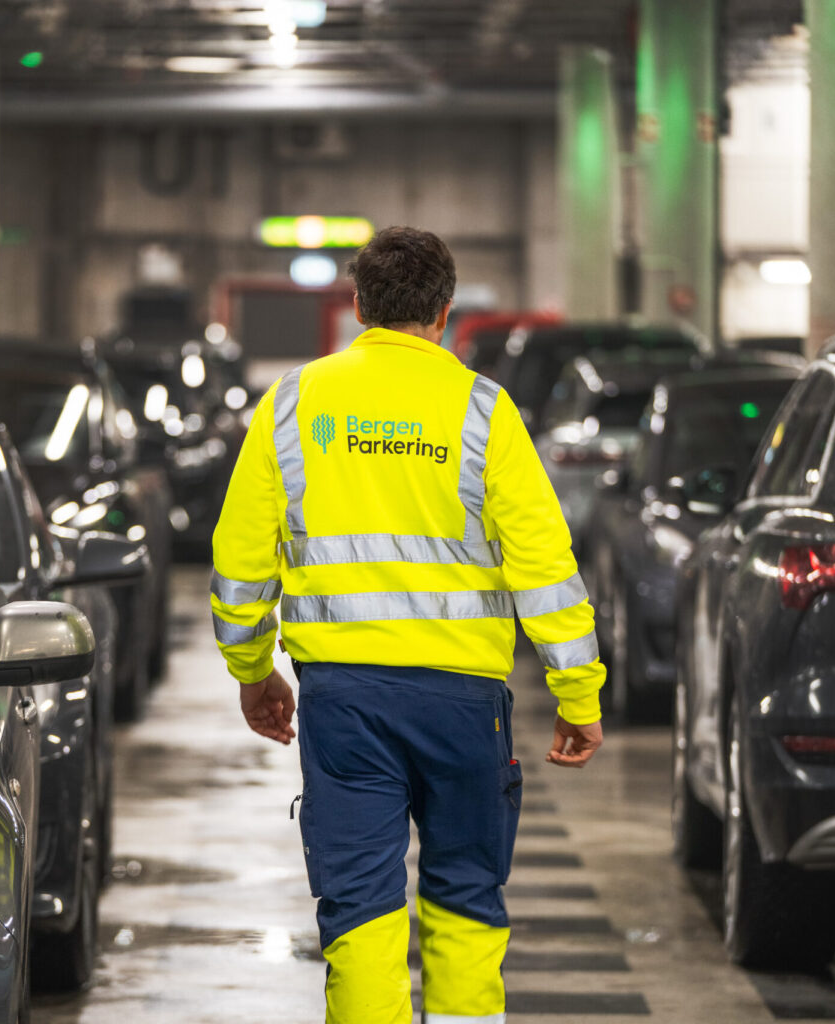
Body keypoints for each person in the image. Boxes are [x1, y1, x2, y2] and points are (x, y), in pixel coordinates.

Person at [210, 226, 605, 1024]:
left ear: (357, 306)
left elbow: (242, 560)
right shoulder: (483, 412)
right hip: (465, 705)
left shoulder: (293, 403)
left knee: (359, 909)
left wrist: (253, 673)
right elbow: (543, 563)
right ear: (446, 311)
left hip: (344, 706)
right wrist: (578, 691)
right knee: (465, 901)